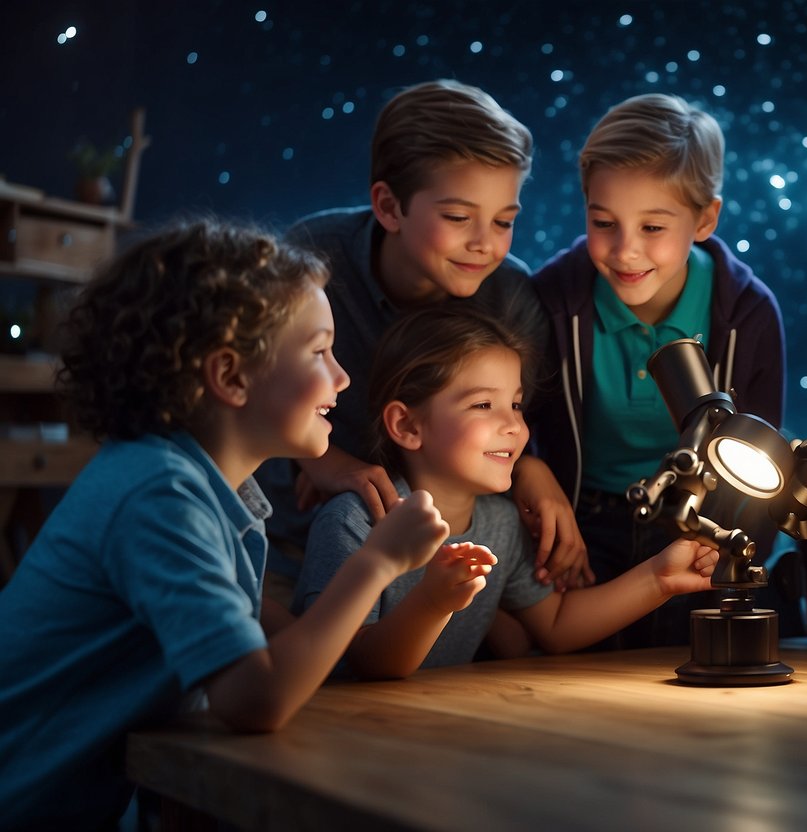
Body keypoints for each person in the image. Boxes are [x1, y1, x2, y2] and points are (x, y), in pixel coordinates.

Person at [0, 221, 455, 830]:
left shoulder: (209, 490)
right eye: (319, 351)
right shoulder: (159, 495)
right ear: (232, 376)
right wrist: (377, 562)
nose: (343, 377)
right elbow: (254, 699)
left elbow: (251, 643)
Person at [529, 93, 807, 648]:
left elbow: (772, 459)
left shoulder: (747, 312)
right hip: (584, 524)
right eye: (603, 222)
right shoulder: (550, 301)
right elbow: (511, 420)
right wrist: (532, 476)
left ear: (705, 218)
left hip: (707, 521)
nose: (624, 250)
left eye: (654, 227)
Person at [258, 78, 586, 607]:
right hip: (285, 549)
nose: (484, 243)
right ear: (389, 207)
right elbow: (246, 392)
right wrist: (323, 463)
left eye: (504, 221)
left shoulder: (510, 301)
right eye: (458, 218)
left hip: (433, 569)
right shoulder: (311, 261)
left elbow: (508, 423)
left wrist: (531, 468)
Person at [294, 304, 720, 677]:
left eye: (515, 404)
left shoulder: (500, 522)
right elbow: (360, 665)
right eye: (484, 405)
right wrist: (433, 600)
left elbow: (554, 625)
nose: (514, 425)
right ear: (407, 426)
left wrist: (659, 577)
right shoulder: (354, 523)